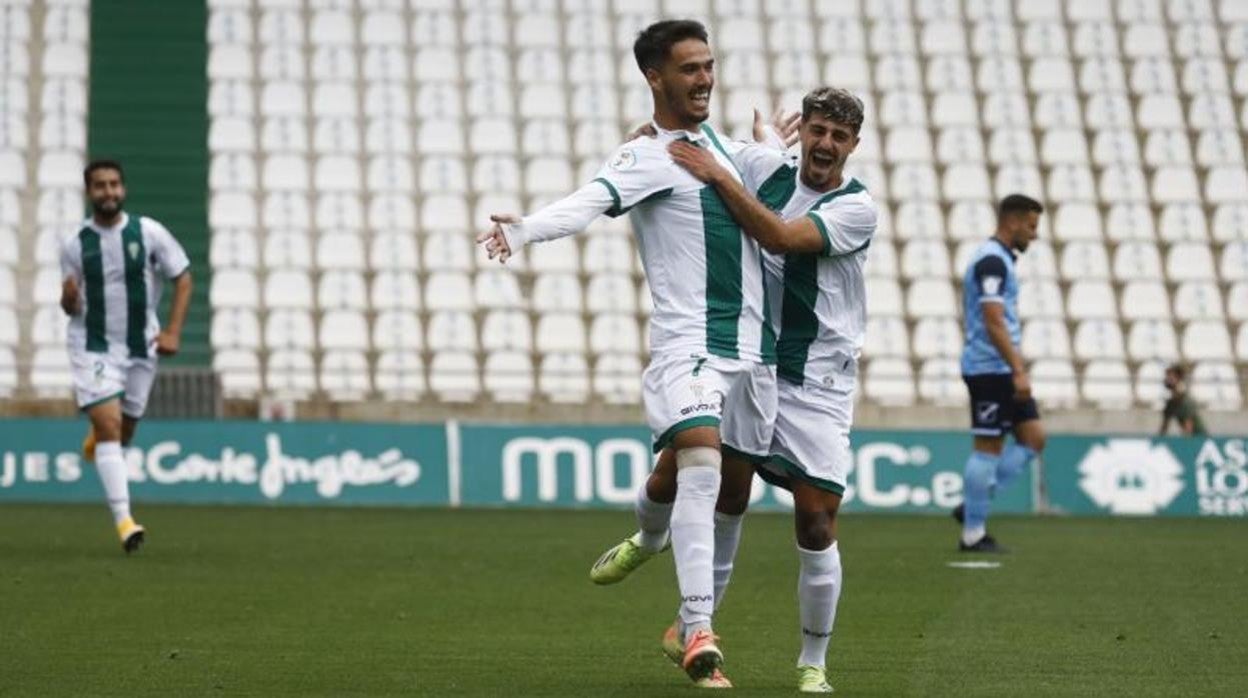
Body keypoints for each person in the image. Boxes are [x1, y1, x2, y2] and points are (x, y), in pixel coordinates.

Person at [476, 20, 779, 688]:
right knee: (701, 458)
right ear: (655, 77)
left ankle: (648, 537)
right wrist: (525, 230)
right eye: (689, 69)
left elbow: (777, 191)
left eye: (708, 65)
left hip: (754, 353)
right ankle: (697, 630)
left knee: (722, 487)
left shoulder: (724, 151)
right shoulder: (647, 157)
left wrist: (774, 148)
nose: (704, 79)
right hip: (688, 346)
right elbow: (590, 202)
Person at [660, 86, 876, 694]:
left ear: (853, 145)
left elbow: (781, 238)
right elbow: (688, 143)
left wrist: (725, 178)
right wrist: (638, 146)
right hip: (756, 362)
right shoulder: (766, 167)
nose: (826, 143)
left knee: (815, 521)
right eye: (818, 130)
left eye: (839, 136)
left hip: (820, 380)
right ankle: (693, 623)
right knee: (726, 486)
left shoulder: (858, 208)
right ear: (802, 131)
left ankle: (813, 659)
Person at [60, 160, 193, 553]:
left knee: (125, 430)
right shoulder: (75, 244)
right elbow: (70, 302)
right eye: (100, 186)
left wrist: (172, 331)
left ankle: (97, 442)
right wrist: (67, 300)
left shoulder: (148, 233)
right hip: (93, 344)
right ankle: (124, 521)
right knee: (111, 425)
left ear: (123, 189)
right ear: (89, 192)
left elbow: (183, 279)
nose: (109, 192)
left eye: (114, 184)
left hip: (141, 344)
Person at [953, 194, 1048, 553]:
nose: (1034, 236)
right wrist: (1018, 369)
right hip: (989, 368)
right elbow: (993, 320)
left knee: (1034, 437)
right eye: (1031, 226)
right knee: (989, 447)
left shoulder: (1000, 260)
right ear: (1013, 221)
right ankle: (973, 534)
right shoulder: (991, 260)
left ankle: (972, 504)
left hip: (1000, 367)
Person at [1159, 363, 1207, 436]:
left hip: (1199, 439)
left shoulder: (1186, 401)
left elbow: (1188, 429)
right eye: (1167, 376)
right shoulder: (1171, 403)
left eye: (1170, 377)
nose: (1167, 379)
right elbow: (1164, 428)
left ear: (1178, 379)